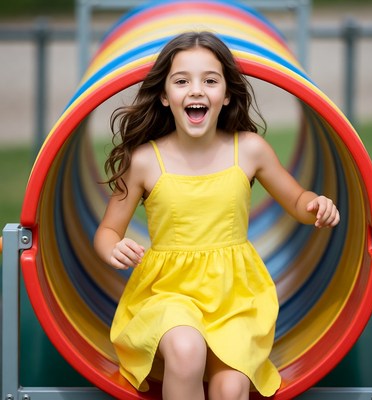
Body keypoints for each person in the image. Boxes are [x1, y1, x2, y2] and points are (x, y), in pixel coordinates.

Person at [94, 31, 340, 400]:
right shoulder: (145, 160)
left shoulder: (250, 150)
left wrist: (316, 206)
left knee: (230, 387)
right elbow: (107, 231)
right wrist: (112, 248)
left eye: (210, 80)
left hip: (235, 297)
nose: (196, 90)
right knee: (186, 349)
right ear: (164, 96)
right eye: (181, 81)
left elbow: (297, 200)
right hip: (168, 293)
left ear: (226, 95)